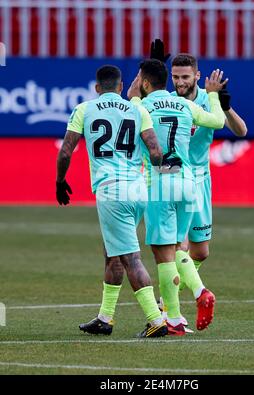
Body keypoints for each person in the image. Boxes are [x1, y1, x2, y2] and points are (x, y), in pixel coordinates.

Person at [56, 65, 168, 338]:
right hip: (138, 189)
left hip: (111, 190)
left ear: (97, 88)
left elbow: (66, 152)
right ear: (120, 87)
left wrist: (60, 181)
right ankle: (105, 318)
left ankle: (156, 319)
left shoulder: (85, 109)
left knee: (130, 257)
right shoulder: (137, 109)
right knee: (113, 252)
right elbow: (156, 151)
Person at [150, 41, 247, 328]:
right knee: (177, 245)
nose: (179, 82)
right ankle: (180, 304)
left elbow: (241, 131)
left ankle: (176, 296)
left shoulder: (210, 98)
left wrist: (225, 107)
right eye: (175, 77)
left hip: (201, 181)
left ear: (196, 75)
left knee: (200, 251)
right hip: (173, 178)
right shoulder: (166, 100)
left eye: (185, 77)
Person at [128, 59, 226, 335]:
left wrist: (134, 96)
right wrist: (214, 95)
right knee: (178, 250)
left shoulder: (142, 106)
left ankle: (195, 296)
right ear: (166, 80)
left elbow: (132, 104)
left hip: (160, 183)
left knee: (163, 254)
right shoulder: (184, 105)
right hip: (188, 183)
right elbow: (218, 121)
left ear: (146, 83)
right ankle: (177, 317)